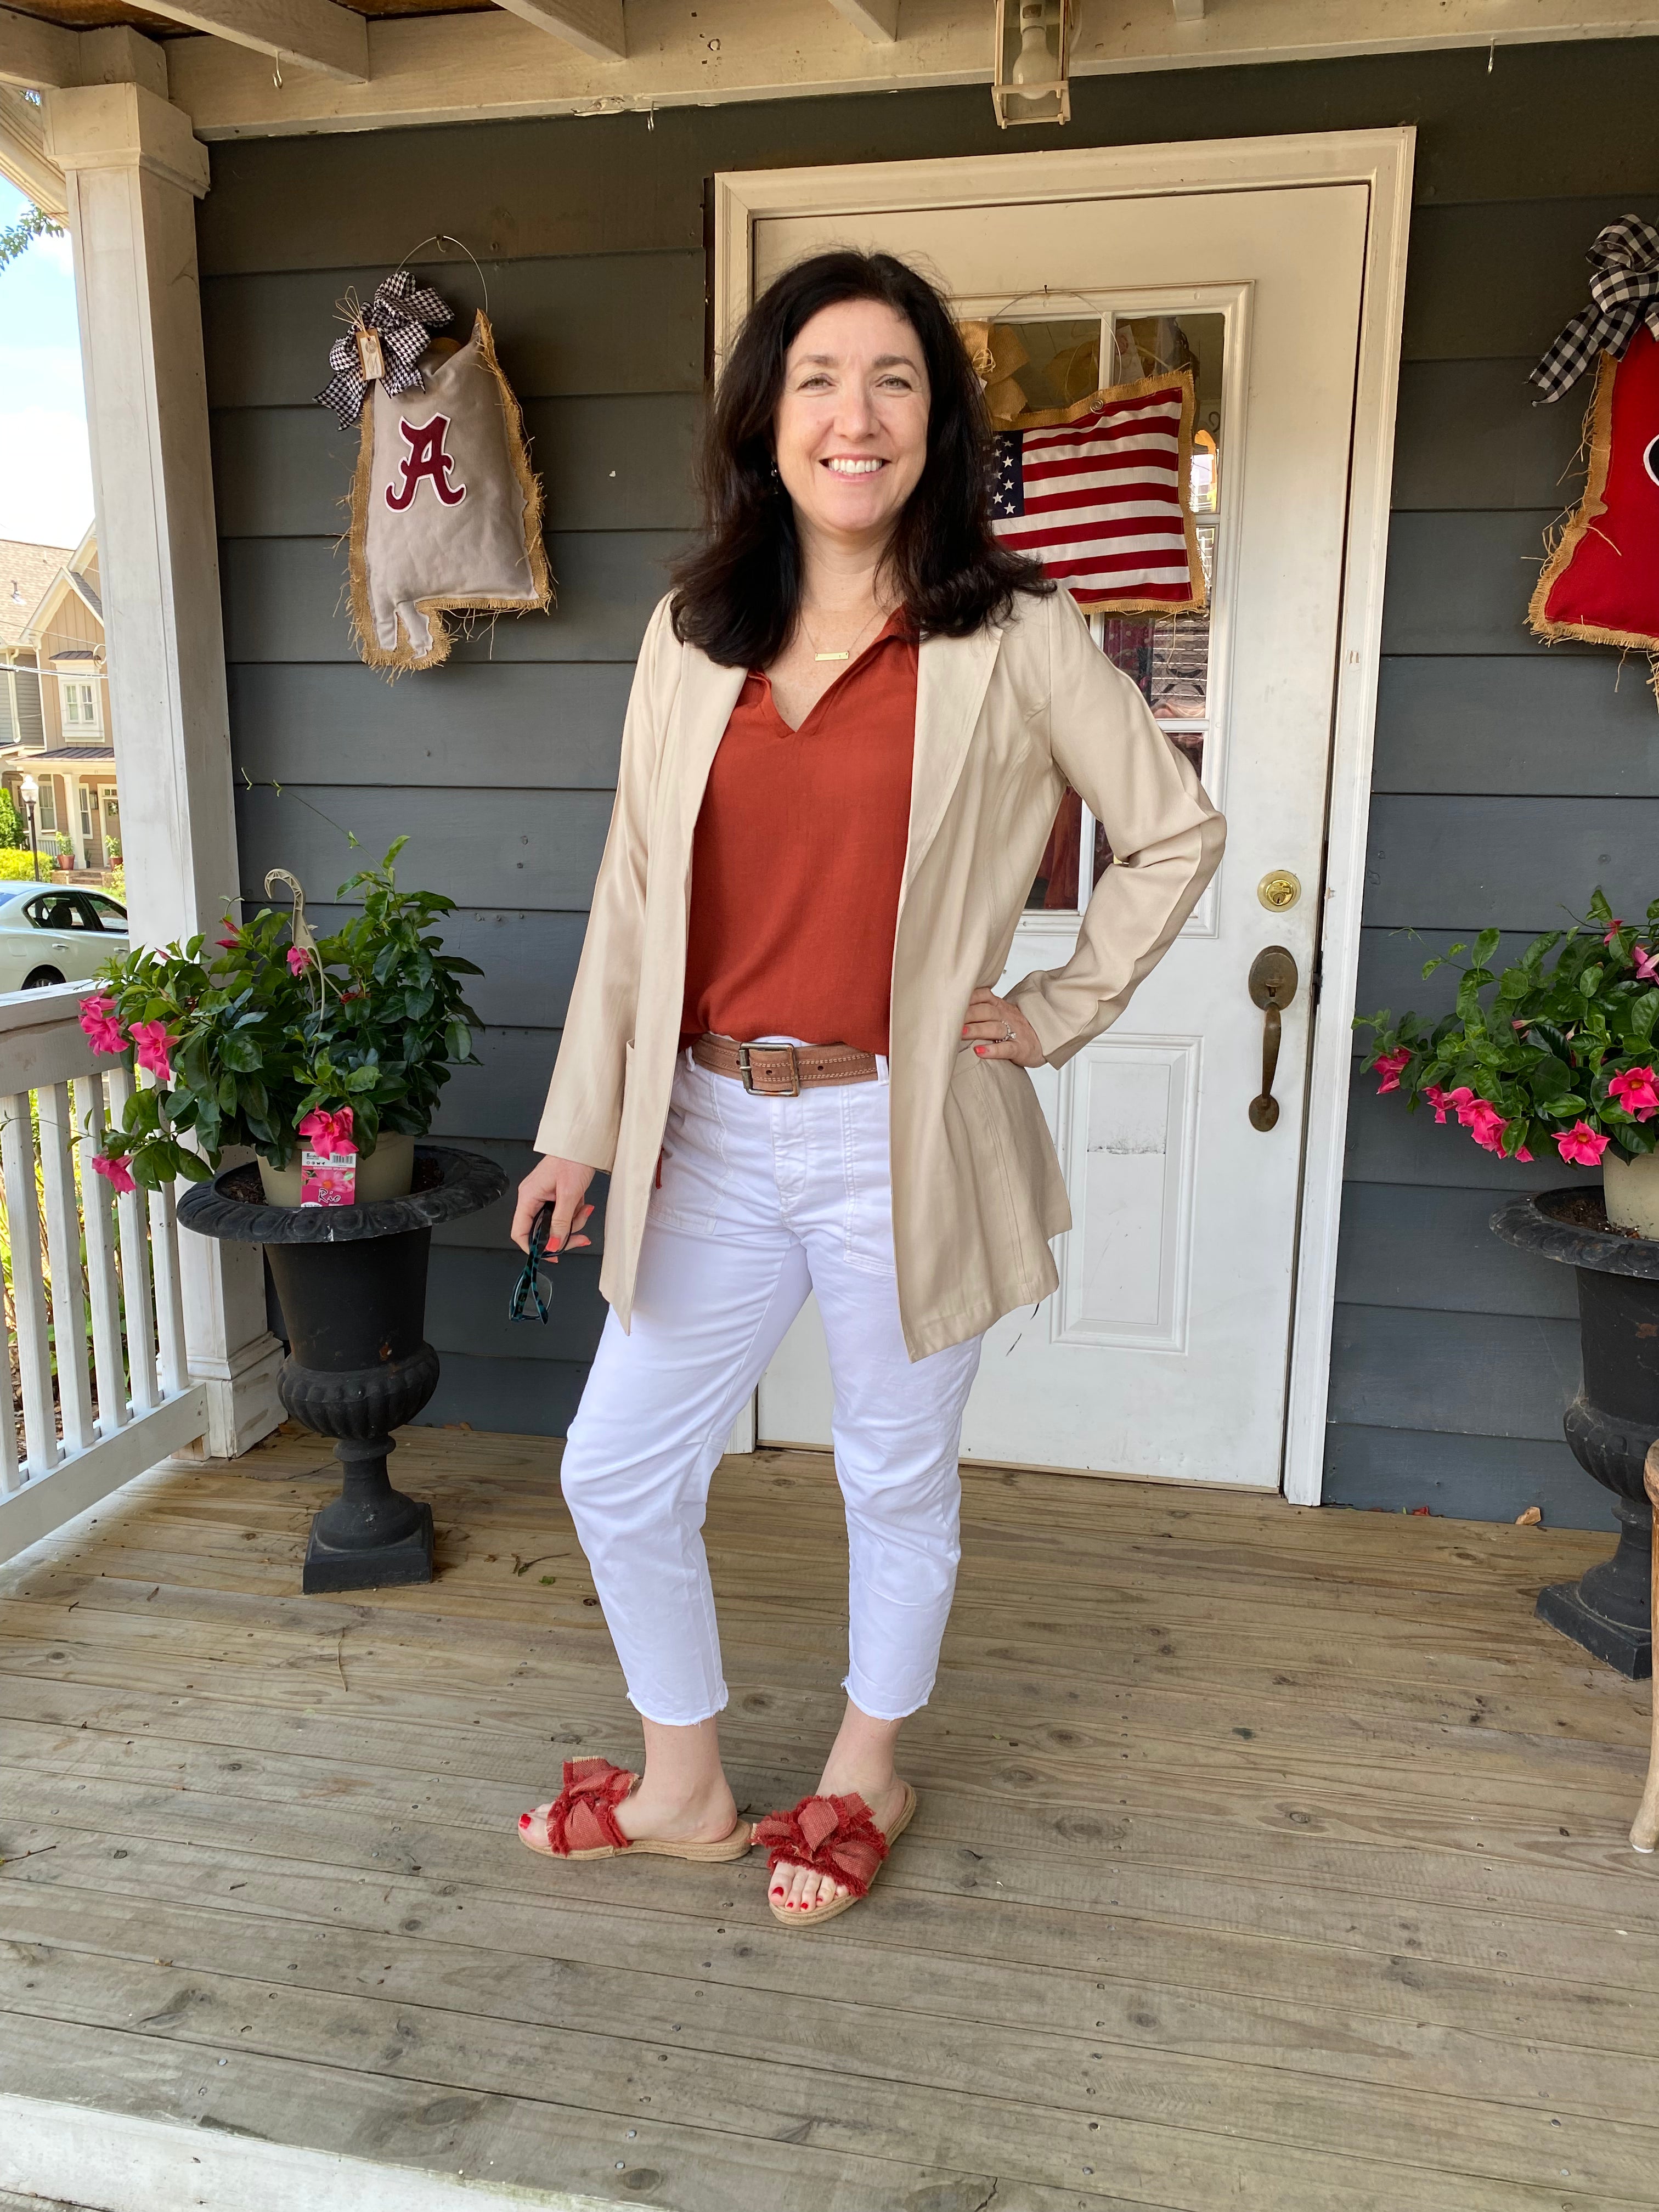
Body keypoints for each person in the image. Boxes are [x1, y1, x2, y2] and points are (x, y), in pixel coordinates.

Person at [511, 248, 1223, 1926]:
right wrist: (579, 1129)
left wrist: (1056, 1009)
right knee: (617, 1468)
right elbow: (634, 892)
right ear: (766, 420)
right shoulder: (693, 636)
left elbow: (1174, 830)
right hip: (704, 1125)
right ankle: (682, 1785)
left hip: (899, 1130)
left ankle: (863, 1771)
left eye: (895, 380)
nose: (857, 414)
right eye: (820, 377)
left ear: (936, 423)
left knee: (891, 1478)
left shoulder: (1015, 631)